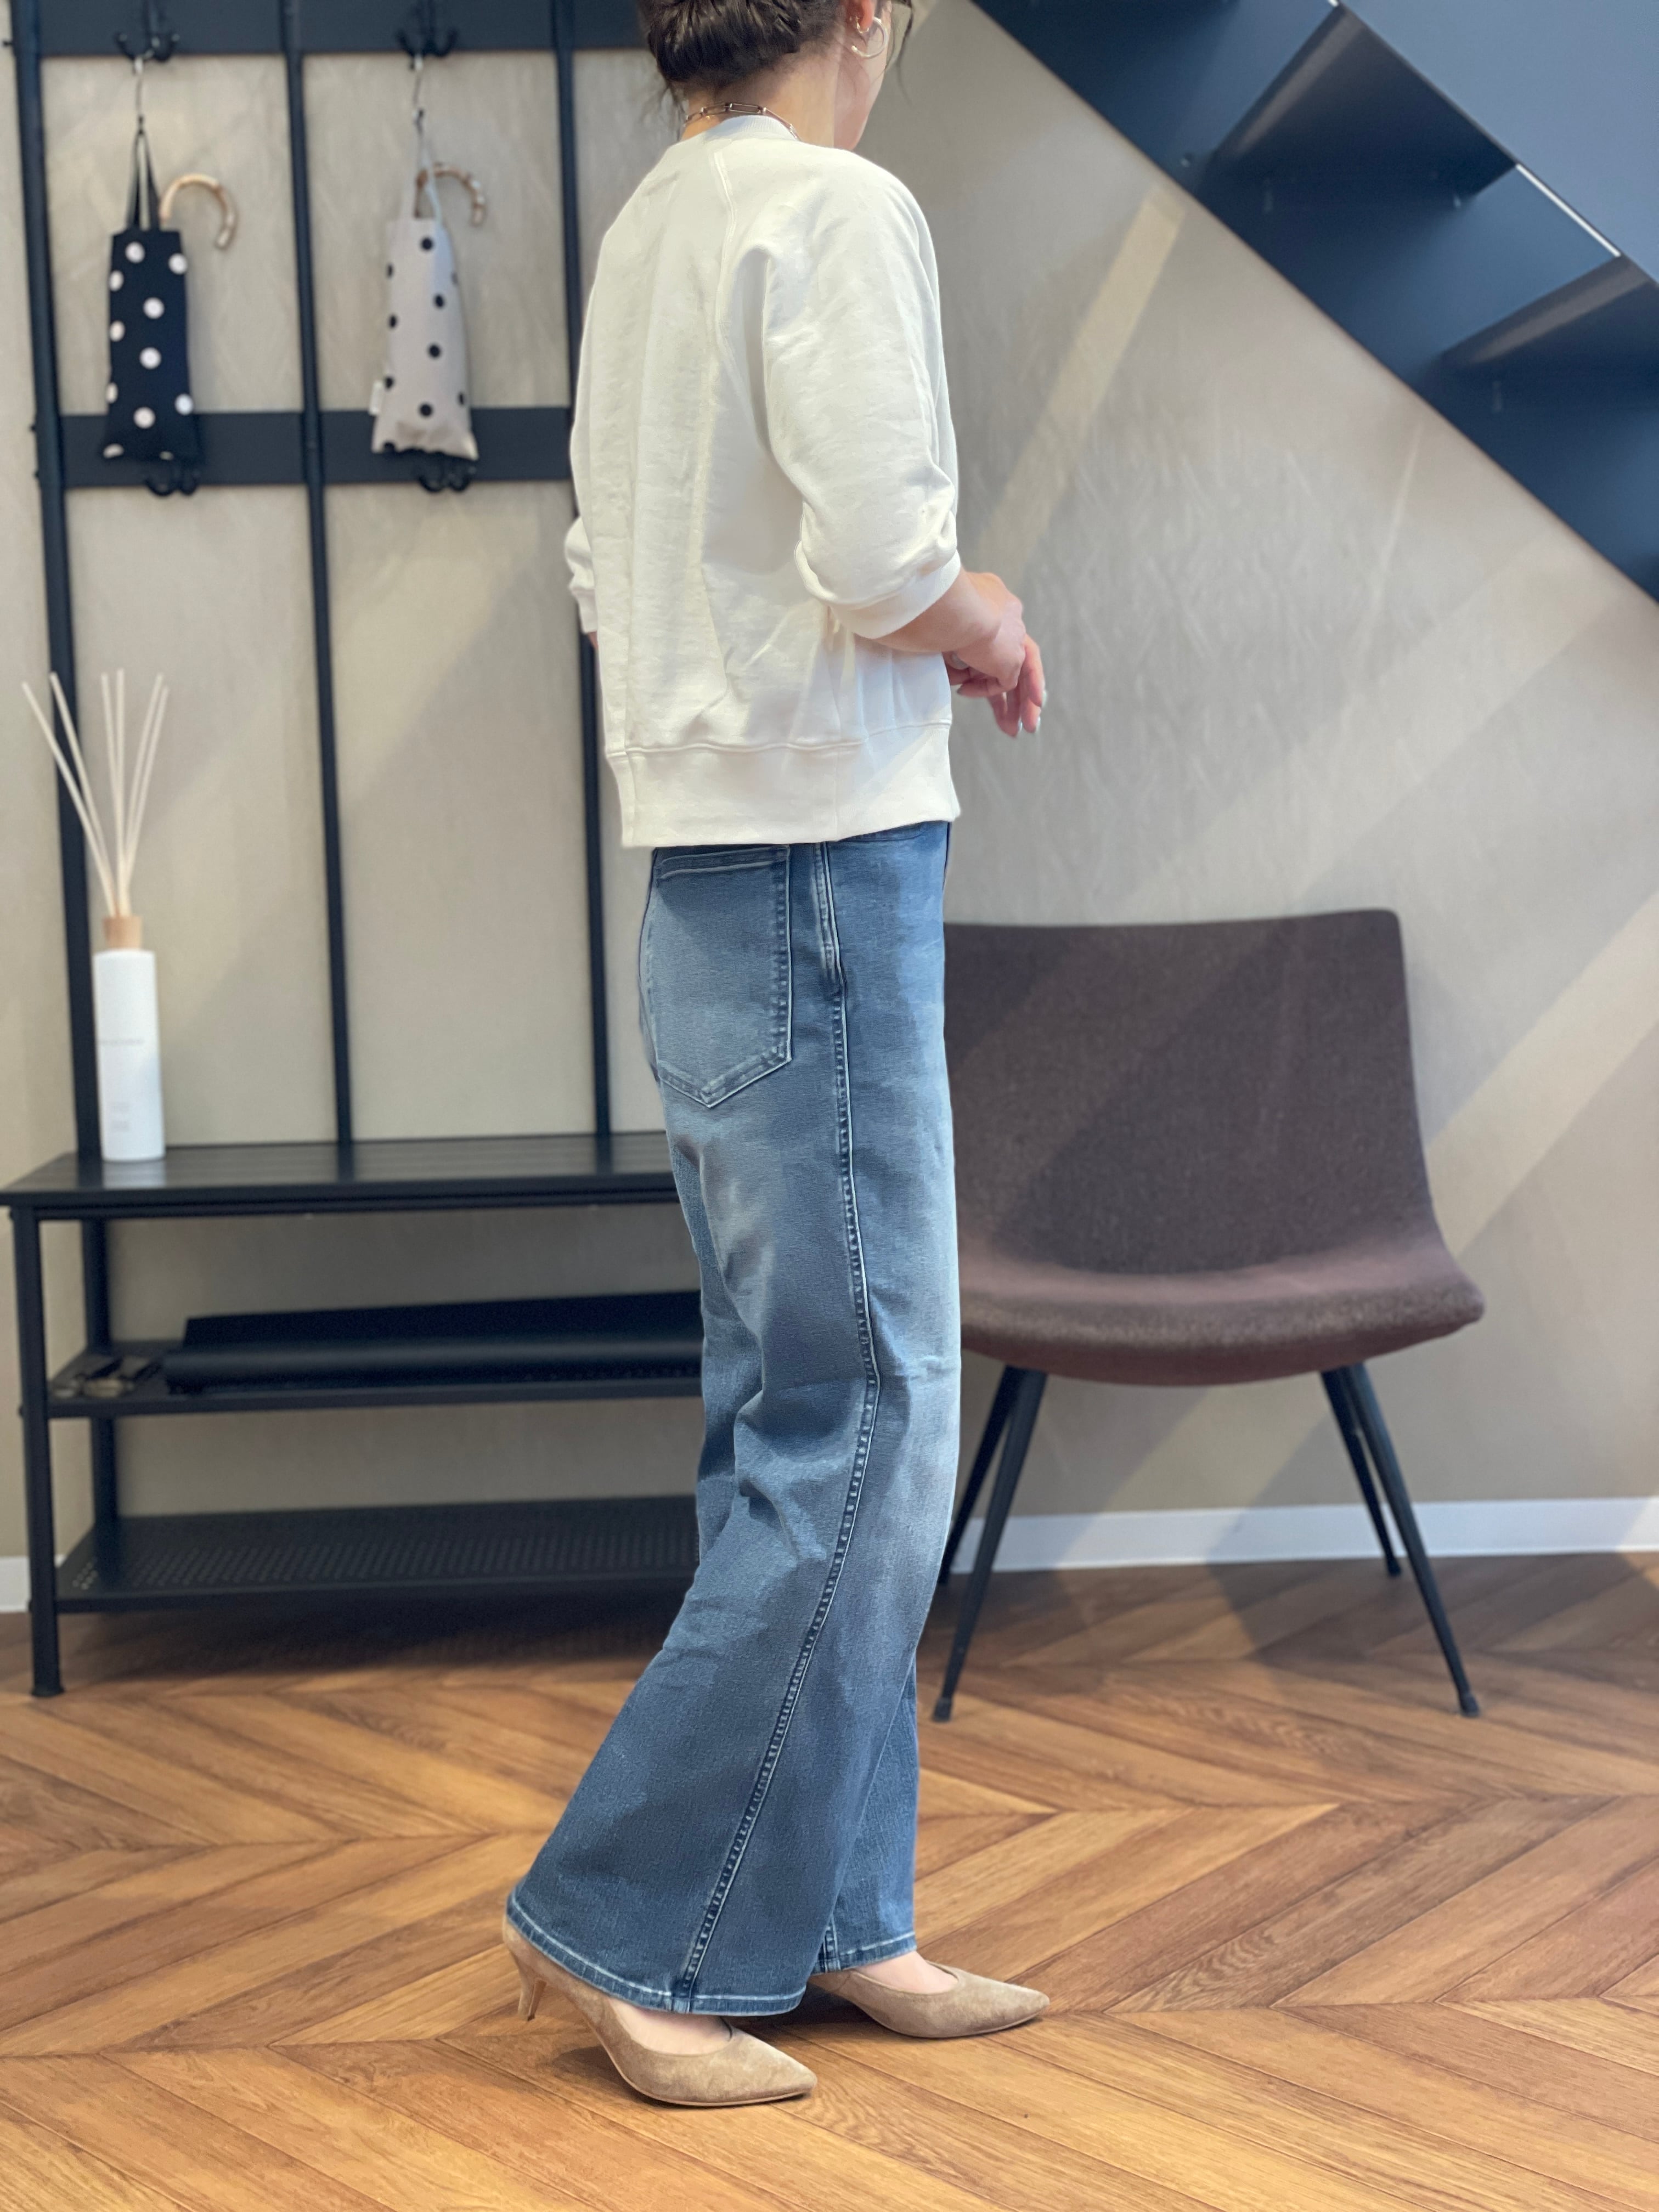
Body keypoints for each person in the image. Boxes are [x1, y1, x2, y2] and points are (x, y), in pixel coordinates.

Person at [503, 0, 1047, 2107]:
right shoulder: (836, 205)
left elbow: (598, 567)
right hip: (827, 873)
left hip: (706, 886)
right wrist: (987, 614)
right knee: (874, 1417)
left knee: (783, 1415)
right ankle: (623, 1923)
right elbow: (886, 557)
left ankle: (828, 1915)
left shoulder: (652, 228)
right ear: (868, 14)